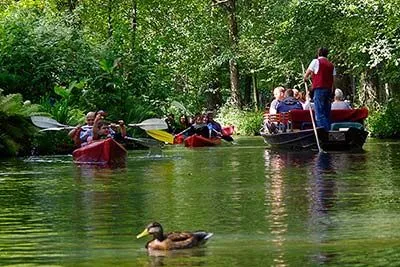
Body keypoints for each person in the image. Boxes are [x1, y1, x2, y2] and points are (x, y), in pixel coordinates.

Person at [304, 47, 336, 131]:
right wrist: (332, 92)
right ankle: (329, 130)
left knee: (319, 112)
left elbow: (306, 75)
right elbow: (333, 81)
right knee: (327, 112)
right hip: (329, 90)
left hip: (319, 89)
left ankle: (323, 131)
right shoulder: (331, 65)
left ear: (318, 54)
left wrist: (305, 78)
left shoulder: (316, 61)